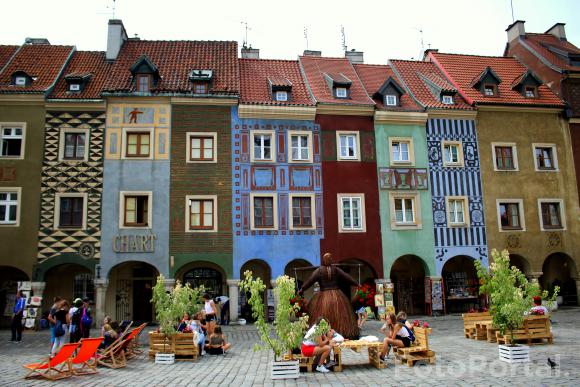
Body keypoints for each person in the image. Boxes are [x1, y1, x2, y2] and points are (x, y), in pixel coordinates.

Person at [299, 252, 359, 339]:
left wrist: (302, 289)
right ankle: (328, 332)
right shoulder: (333, 269)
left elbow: (310, 280)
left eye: (330, 258)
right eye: (328, 259)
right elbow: (310, 281)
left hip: (325, 295)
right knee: (340, 314)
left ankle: (336, 332)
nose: (329, 260)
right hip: (336, 295)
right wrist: (356, 283)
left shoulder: (321, 270)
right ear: (324, 260)